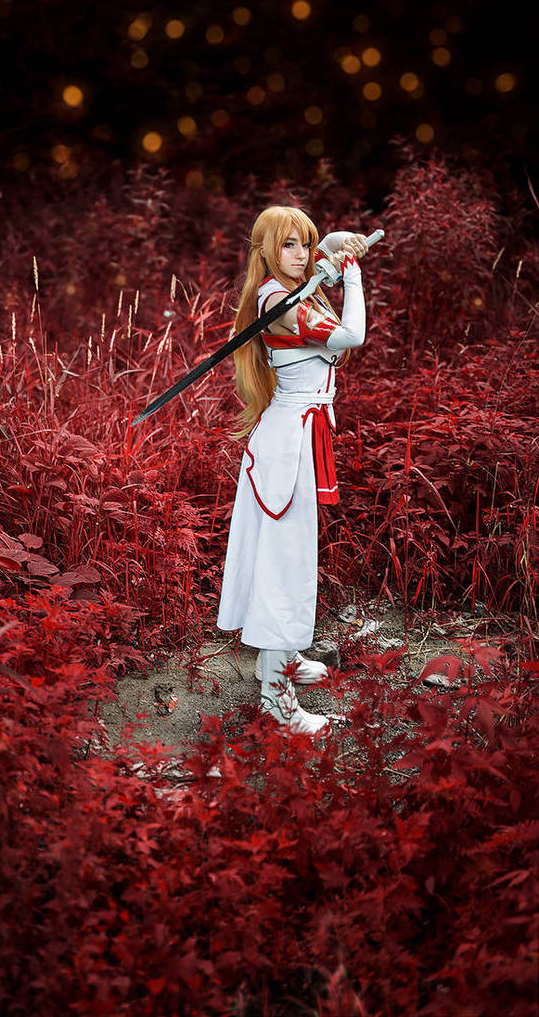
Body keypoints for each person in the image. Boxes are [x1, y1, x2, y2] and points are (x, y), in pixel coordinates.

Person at [217, 206, 369, 733]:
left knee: (287, 554)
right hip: (288, 445)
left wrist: (333, 244)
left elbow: (319, 257)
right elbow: (351, 337)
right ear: (264, 251)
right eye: (289, 245)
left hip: (297, 436)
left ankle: (278, 661)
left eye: (304, 245)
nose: (302, 255)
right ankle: (276, 700)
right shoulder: (278, 302)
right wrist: (350, 273)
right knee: (283, 562)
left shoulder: (290, 288)